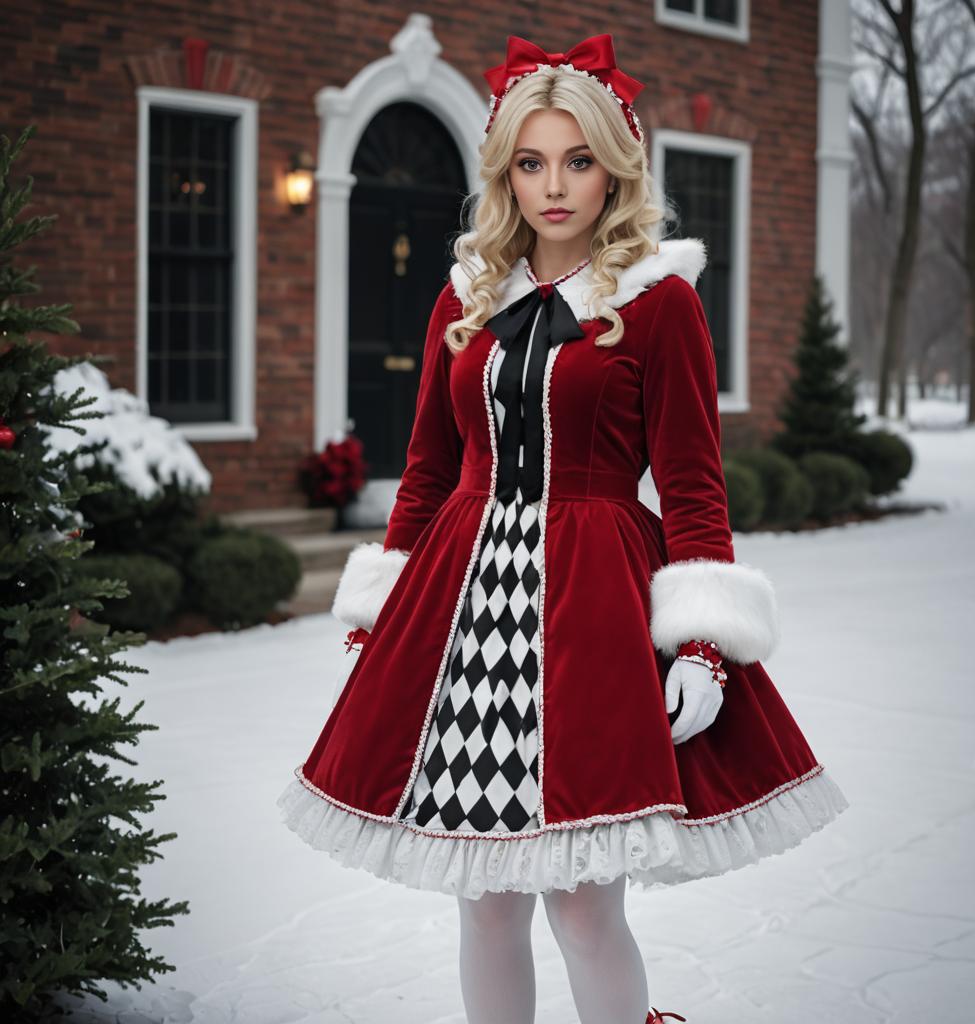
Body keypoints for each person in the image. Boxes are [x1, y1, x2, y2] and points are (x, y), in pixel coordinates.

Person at [278, 33, 850, 1024]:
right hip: (464, 614)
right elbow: (424, 471)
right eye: (532, 161)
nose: (554, 186)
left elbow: (692, 483)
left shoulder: (659, 302)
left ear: (612, 166)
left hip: (591, 612)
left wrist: (704, 643)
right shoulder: (464, 299)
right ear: (505, 169)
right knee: (485, 902)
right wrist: (382, 616)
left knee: (583, 905)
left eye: (577, 160)